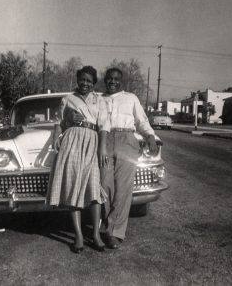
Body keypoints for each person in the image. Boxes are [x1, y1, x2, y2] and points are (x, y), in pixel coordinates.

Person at [48, 66, 109, 253]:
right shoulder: (68, 99)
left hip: (92, 140)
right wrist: (56, 139)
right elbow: (59, 123)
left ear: (94, 83)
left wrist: (102, 148)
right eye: (82, 79)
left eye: (89, 81)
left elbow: (104, 126)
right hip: (71, 141)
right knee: (73, 186)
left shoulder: (99, 100)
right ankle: (79, 236)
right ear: (78, 80)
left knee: (94, 189)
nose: (85, 83)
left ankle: (96, 235)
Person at [101, 67, 158, 249]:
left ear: (121, 81)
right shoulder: (98, 99)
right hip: (104, 140)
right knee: (104, 185)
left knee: (123, 188)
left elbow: (142, 121)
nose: (112, 82)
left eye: (116, 79)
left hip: (127, 140)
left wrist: (150, 137)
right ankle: (109, 224)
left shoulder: (131, 98)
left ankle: (114, 232)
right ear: (105, 80)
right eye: (109, 78)